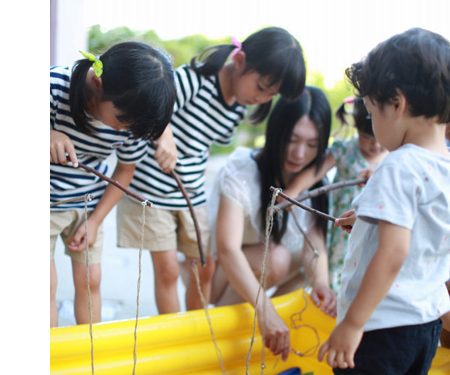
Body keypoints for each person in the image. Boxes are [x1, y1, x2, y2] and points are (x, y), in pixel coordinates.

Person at [291, 27, 450, 375]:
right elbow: (422, 234)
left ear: (397, 103)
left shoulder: (397, 167)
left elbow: (395, 250)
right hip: (422, 325)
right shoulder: (443, 166)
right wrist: (368, 217)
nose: (374, 125)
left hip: (378, 329)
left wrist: (351, 326)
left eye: (374, 112)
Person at [116, 27, 306, 314]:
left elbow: (202, 143)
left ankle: (197, 330)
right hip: (151, 191)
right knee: (167, 270)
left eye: (271, 94)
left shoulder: (237, 108)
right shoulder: (195, 80)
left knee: (204, 268)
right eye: (261, 87)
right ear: (240, 60)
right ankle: (175, 338)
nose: (262, 99)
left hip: (190, 194)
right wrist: (164, 134)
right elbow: (150, 101)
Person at [50, 41, 177, 327]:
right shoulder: (54, 85)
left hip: (87, 203)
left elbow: (124, 171)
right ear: (97, 84)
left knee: (90, 281)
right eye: (123, 120)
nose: (128, 129)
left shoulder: (134, 122)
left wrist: (95, 221)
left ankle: (92, 360)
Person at [210, 87, 337, 362]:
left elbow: (315, 246)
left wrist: (323, 285)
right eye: (292, 139)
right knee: (276, 258)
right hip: (218, 276)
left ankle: (265, 344)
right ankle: (218, 342)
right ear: (276, 131)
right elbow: (227, 249)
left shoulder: (316, 181)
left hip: (263, 271)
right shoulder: (242, 170)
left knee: (310, 273)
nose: (300, 153)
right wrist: (265, 310)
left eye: (313, 145)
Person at [280, 97, 387, 290]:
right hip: (339, 225)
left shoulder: (392, 159)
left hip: (368, 225)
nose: (374, 145)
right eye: (366, 137)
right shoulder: (345, 150)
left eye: (379, 139)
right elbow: (315, 172)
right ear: (355, 129)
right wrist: (294, 190)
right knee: (336, 264)